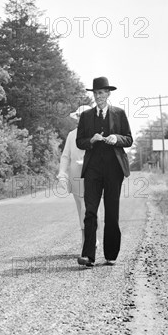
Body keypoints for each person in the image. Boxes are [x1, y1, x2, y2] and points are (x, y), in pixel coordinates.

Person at [76, 77, 132, 268]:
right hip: (92, 168)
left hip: (113, 169)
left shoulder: (120, 113)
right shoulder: (86, 116)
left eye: (101, 93)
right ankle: (88, 255)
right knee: (90, 210)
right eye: (95, 93)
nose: (98, 96)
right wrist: (91, 140)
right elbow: (79, 142)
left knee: (111, 211)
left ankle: (111, 254)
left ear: (108, 94)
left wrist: (116, 138)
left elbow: (129, 139)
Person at [57, 105, 94, 252]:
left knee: (90, 207)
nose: (81, 119)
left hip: (92, 175)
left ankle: (89, 241)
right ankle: (87, 239)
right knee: (81, 208)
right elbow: (66, 155)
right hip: (75, 176)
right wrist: (62, 173)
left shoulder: (95, 134)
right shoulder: (72, 135)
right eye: (79, 117)